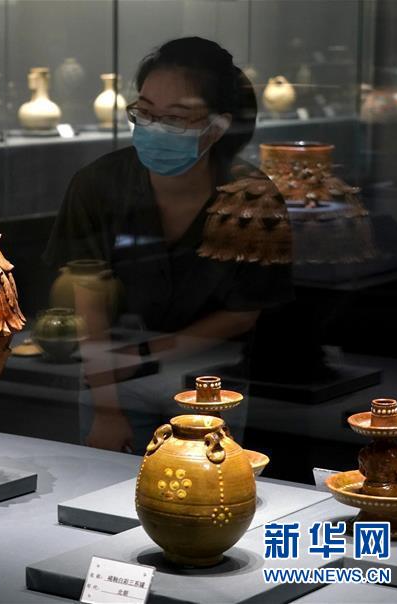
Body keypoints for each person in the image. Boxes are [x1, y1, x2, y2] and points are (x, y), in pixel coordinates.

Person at [43, 37, 292, 452]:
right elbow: (89, 304)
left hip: (211, 380)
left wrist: (144, 353)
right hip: (112, 377)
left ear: (218, 127)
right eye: (145, 112)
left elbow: (242, 313)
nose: (155, 126)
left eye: (175, 117)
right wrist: (107, 409)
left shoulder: (252, 196)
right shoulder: (98, 185)